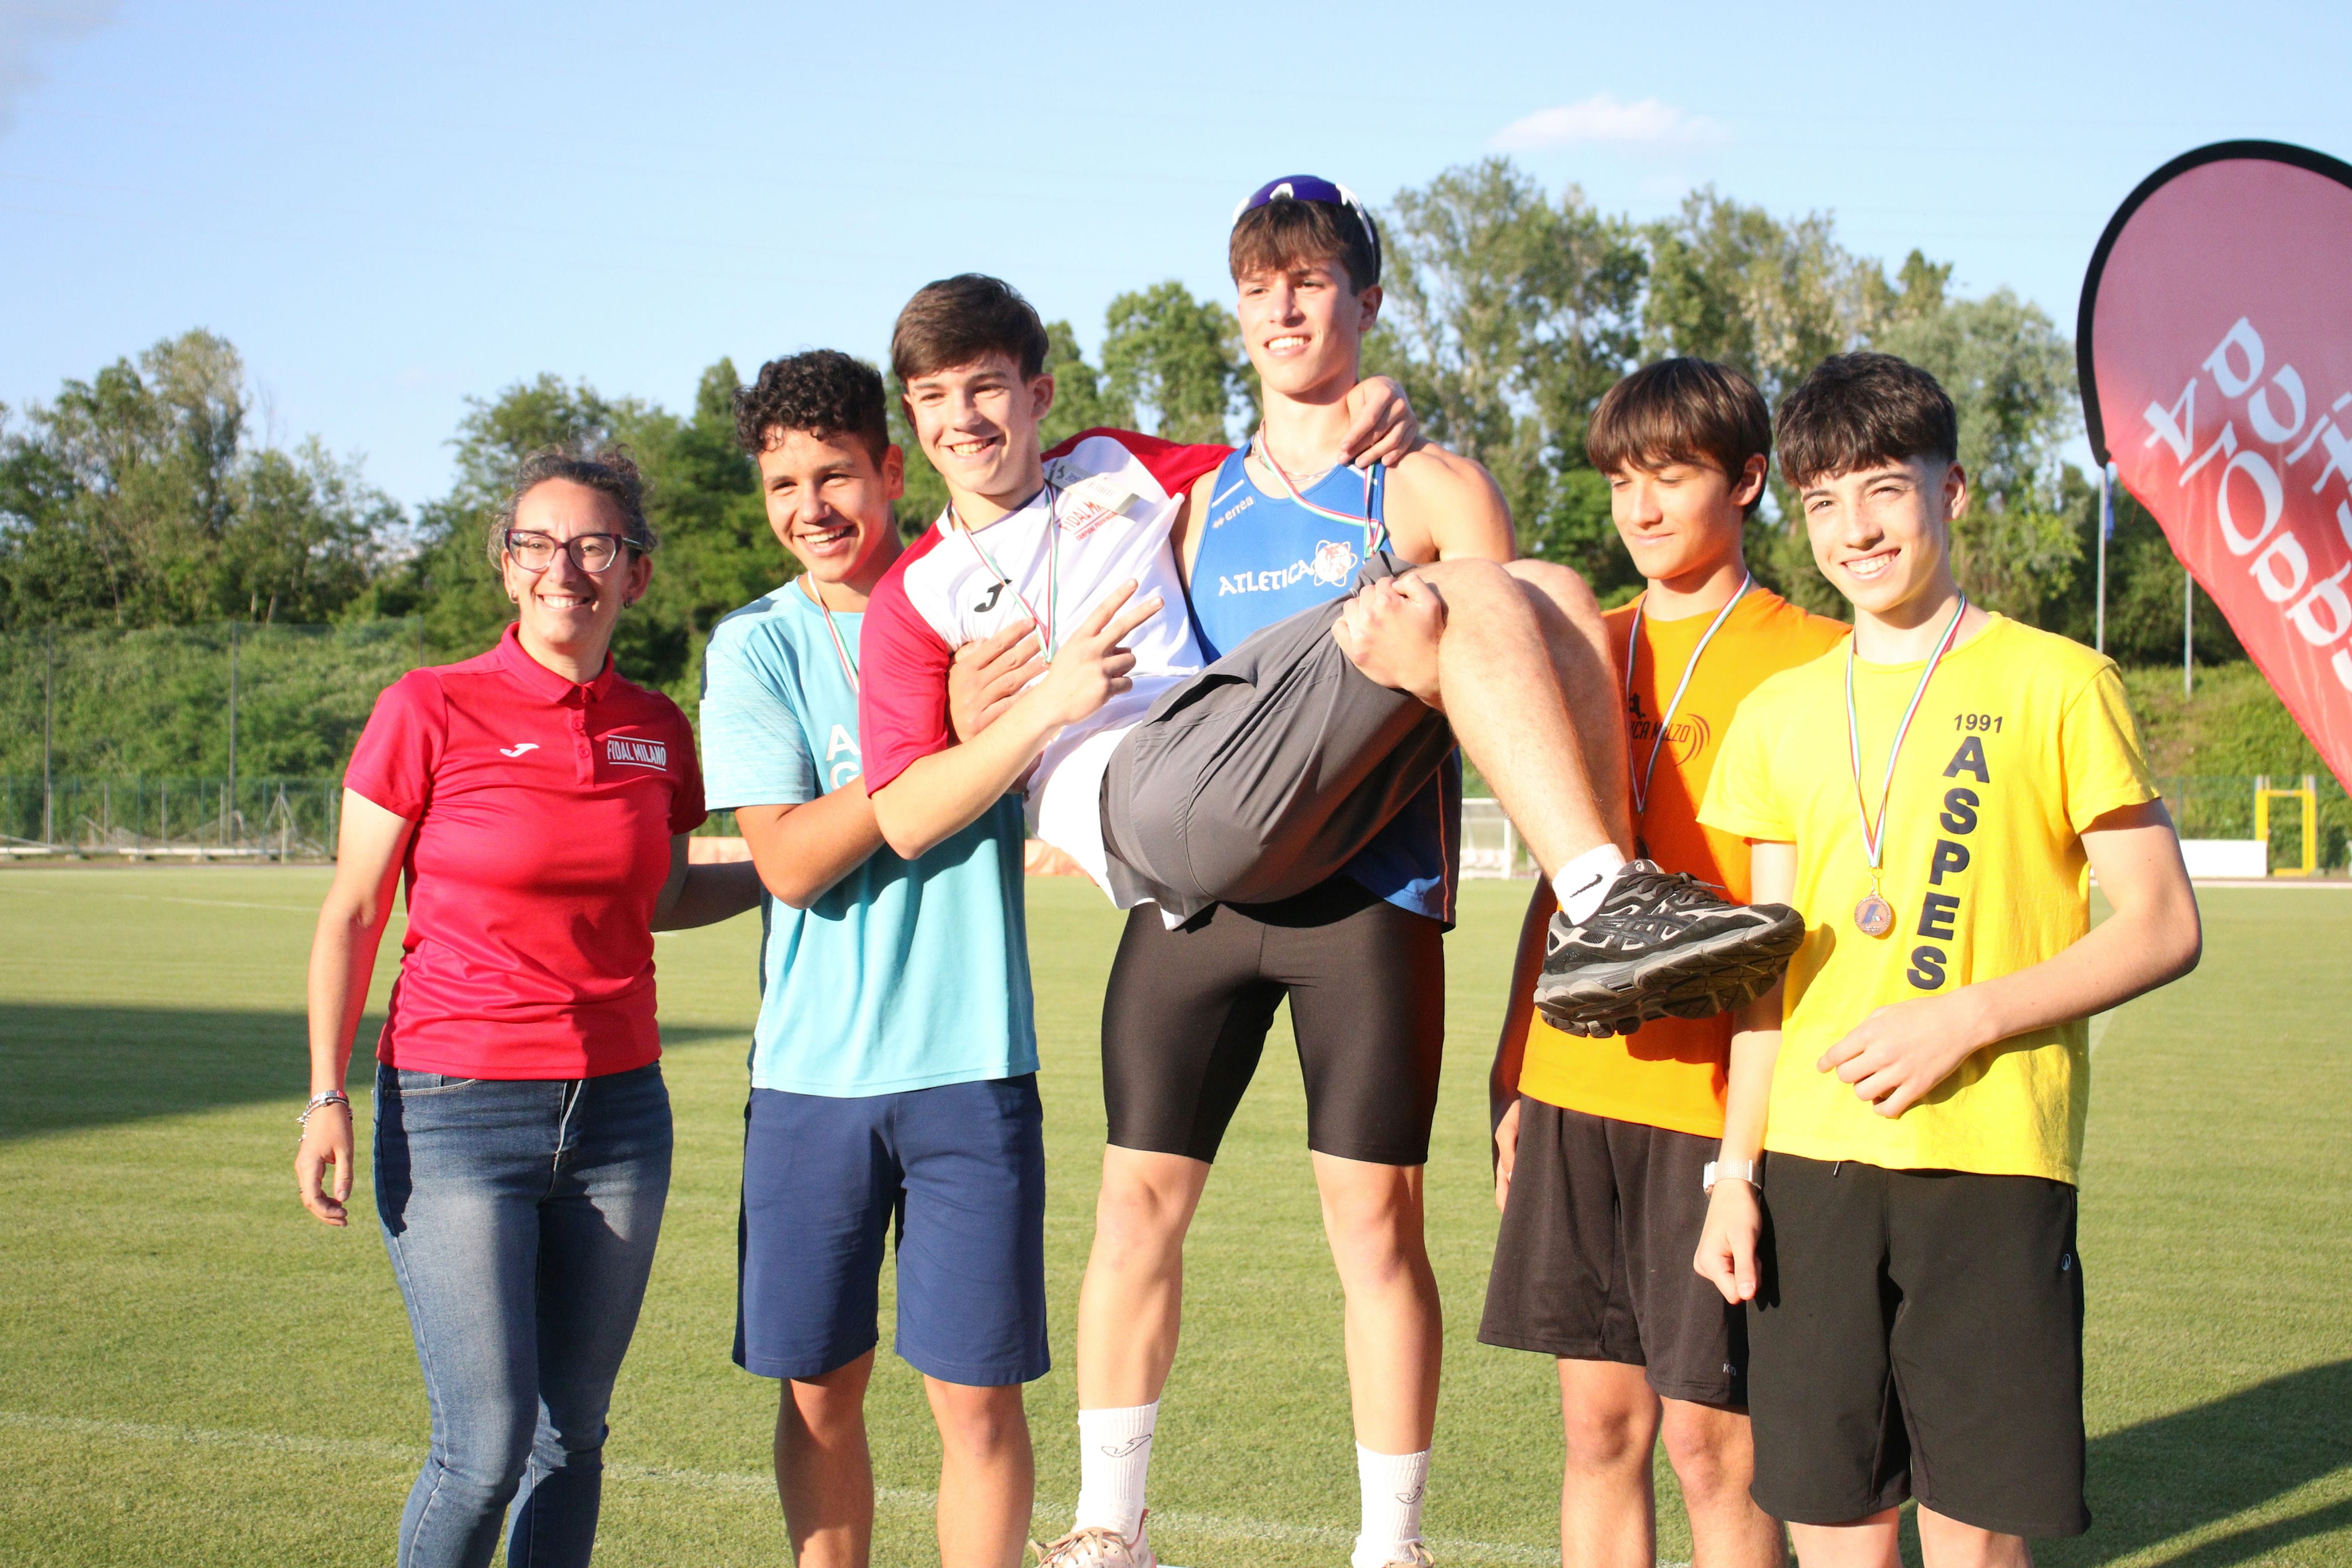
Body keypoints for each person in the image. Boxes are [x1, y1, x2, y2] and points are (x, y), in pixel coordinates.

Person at [1037, 177, 1624, 1568]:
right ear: (1237, 308)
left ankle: (1390, 1545)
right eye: (1261, 283)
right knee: (1133, 1203)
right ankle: (1109, 1528)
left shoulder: (1426, 485)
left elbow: (1502, 671)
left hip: (1369, 899)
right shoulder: (1191, 506)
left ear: (1366, 300)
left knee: (1375, 1223)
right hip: (1209, 901)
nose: (1286, 307)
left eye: (1313, 280)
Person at [855, 274, 1803, 1065]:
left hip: (1228, 746)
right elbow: (902, 819)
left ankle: (1613, 897)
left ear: (1039, 395)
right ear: (910, 414)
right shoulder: (913, 595)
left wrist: (1372, 397)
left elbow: (1288, 456)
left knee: (1548, 590)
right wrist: (1041, 710)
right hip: (1141, 796)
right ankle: (1604, 904)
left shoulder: (1116, 465)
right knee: (1469, 588)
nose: (962, 418)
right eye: (933, 398)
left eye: (985, 388)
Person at [1692, 352, 2202, 1567]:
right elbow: (1766, 975)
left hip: (1989, 1158)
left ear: (1952, 490)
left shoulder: (2060, 682)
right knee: (1835, 1526)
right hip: (1809, 1165)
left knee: (1975, 1537)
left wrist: (1964, 1019)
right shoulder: (1778, 715)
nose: (1855, 530)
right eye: (1824, 502)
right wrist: (1733, 1174)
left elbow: (2162, 923)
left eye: (1884, 489)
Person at [293, 447, 759, 1568]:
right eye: (538, 545)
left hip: (619, 1118)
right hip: (456, 1109)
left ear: (635, 573)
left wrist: (807, 863)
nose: (566, 569)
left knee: (573, 1436)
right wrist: (324, 1098)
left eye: (595, 545)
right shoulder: (428, 706)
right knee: (485, 1446)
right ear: (506, 566)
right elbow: (353, 911)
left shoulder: (657, 726)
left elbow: (667, 897)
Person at [1483, 358, 1845, 1568]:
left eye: (1673, 475)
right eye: (1621, 481)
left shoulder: (1818, 657)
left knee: (1712, 1444)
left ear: (1747, 481)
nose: (1640, 508)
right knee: (1598, 1431)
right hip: (1575, 1084)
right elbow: (1559, 885)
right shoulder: (1575, 646)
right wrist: (1512, 1077)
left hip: (1719, 1098)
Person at [699, 349, 1047, 1568]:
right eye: (782, 484)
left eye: (836, 475)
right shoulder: (757, 646)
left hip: (972, 1062)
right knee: (817, 1395)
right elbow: (791, 862)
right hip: (812, 1078)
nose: (811, 508)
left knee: (978, 1403)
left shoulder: (988, 606)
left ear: (894, 469)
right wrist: (941, 735)